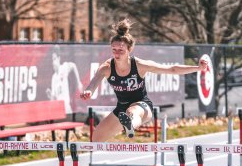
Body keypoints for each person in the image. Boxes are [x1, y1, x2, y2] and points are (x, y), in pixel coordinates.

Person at [80, 18, 208, 142]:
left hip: (142, 106)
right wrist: (88, 92)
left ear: (129, 50)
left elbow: (172, 69)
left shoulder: (140, 65)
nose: (117, 54)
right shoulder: (106, 68)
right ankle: (127, 124)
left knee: (132, 112)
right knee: (96, 138)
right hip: (121, 109)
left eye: (121, 50)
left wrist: (198, 68)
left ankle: (130, 125)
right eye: (114, 50)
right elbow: (94, 82)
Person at [47, 45, 83, 114]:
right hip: (58, 109)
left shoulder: (63, 68)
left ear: (58, 59)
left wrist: (79, 83)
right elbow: (54, 99)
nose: (53, 62)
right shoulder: (53, 78)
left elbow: (73, 66)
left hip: (66, 106)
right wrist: (50, 96)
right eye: (52, 59)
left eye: (54, 59)